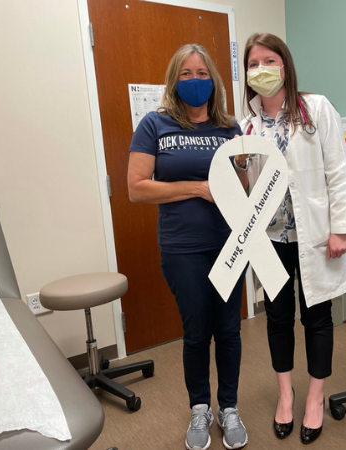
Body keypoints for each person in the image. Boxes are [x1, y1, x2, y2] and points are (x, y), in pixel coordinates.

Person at [127, 43, 249, 450]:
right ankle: (200, 408)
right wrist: (197, 188)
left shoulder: (229, 128)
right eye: (185, 74)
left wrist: (245, 167)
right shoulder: (155, 124)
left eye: (201, 74)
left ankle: (228, 406)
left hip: (230, 243)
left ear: (213, 79)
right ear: (173, 80)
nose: (195, 81)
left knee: (229, 331)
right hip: (182, 248)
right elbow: (137, 188)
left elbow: (243, 190)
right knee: (197, 333)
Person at [237, 32, 346, 445]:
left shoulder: (315, 108)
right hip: (268, 239)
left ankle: (315, 399)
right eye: (253, 64)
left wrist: (340, 228)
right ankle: (285, 395)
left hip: (317, 235)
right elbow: (246, 185)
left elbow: (337, 171)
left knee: (317, 317)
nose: (261, 70)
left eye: (269, 61)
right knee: (279, 317)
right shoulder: (246, 125)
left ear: (285, 65)